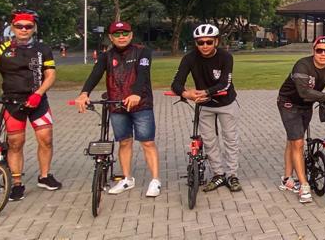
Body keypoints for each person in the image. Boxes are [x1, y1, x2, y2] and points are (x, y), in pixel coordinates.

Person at [0, 10, 60, 201]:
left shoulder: (43, 49)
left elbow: (50, 75)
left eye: (28, 26)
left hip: (38, 101)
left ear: (33, 28)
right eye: (19, 26)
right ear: (13, 27)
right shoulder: (1, 49)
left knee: (46, 139)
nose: (24, 30)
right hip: (12, 103)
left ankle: (44, 176)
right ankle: (17, 184)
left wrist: (38, 93)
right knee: (15, 143)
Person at [75, 21, 161, 197]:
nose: (121, 37)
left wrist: (136, 94)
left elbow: (143, 74)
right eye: (117, 34)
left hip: (141, 104)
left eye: (124, 33)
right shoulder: (106, 56)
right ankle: (127, 179)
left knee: (147, 142)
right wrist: (84, 93)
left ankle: (155, 180)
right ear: (111, 37)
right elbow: (95, 74)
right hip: (117, 105)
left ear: (130, 35)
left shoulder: (142, 52)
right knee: (124, 142)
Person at [276, 36, 325, 204]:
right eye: (319, 50)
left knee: (293, 140)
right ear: (313, 50)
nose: (323, 54)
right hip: (289, 103)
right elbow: (305, 93)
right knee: (298, 142)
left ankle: (286, 179)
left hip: (306, 106)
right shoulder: (302, 65)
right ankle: (304, 185)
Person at [170, 23, 240, 193]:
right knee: (209, 141)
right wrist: (187, 94)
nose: (205, 46)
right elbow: (176, 83)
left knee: (230, 139)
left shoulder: (226, 57)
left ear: (216, 41)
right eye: (200, 43)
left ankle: (232, 175)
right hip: (204, 105)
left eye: (209, 42)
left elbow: (225, 83)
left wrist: (205, 92)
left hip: (226, 103)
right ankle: (218, 174)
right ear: (196, 43)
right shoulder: (189, 58)